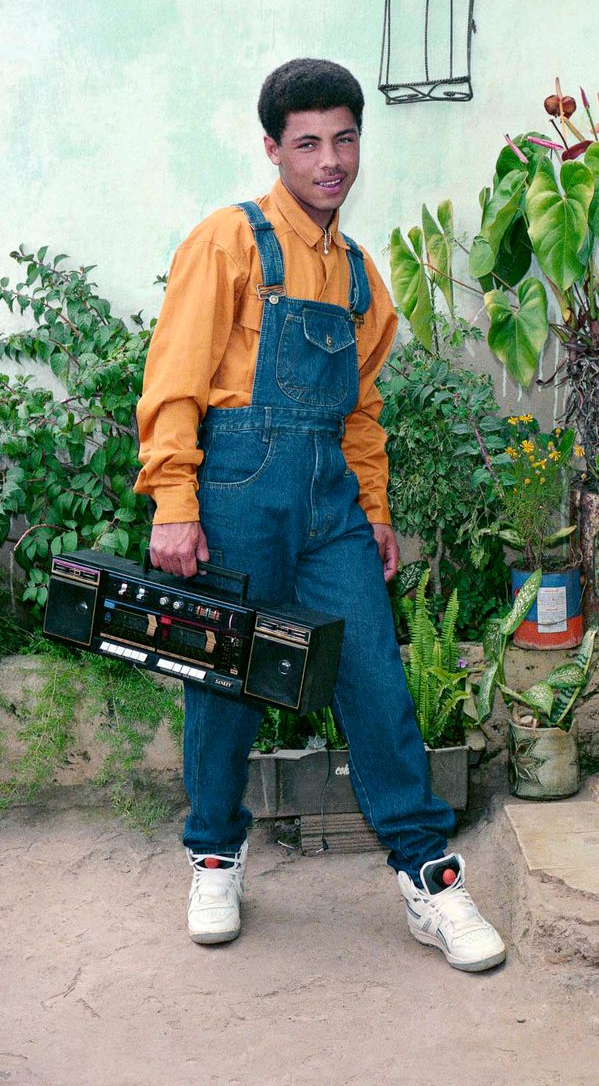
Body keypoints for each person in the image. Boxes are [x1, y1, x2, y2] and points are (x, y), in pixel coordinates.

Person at [135, 58, 505, 973]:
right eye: (308, 143)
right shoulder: (228, 241)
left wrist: (373, 511)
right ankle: (216, 855)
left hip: (332, 506)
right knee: (224, 679)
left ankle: (430, 879)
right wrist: (174, 503)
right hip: (235, 494)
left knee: (377, 681)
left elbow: (364, 413)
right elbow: (174, 379)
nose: (330, 160)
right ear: (274, 148)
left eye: (344, 139)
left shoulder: (358, 277)